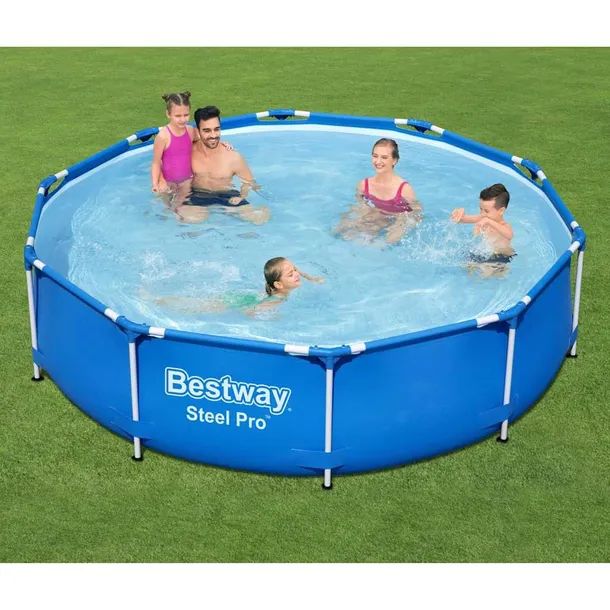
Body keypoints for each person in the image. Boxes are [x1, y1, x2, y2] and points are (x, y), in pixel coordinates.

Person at [177, 105, 271, 225]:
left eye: (216, 129)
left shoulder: (233, 157)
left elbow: (249, 182)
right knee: (188, 219)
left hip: (227, 195)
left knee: (259, 218)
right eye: (207, 131)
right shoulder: (188, 152)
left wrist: (242, 196)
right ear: (198, 131)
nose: (213, 135)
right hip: (198, 194)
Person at [145, 257, 323, 316]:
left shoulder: (281, 286)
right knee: (198, 307)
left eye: (295, 270)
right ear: (278, 284)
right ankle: (156, 300)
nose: (297, 274)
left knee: (202, 302)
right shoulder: (278, 299)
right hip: (242, 301)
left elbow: (298, 271)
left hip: (249, 296)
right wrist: (252, 313)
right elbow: (253, 311)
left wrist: (312, 278)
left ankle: (157, 299)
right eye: (291, 274)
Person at [150, 92, 232, 215]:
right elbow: (156, 163)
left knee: (179, 207)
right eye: (178, 116)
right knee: (166, 209)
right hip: (168, 182)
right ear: (168, 114)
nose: (183, 119)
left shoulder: (190, 131)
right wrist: (156, 183)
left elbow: (205, 140)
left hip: (187, 181)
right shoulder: (163, 137)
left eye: (186, 115)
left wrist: (220, 143)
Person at [333, 138, 423, 244]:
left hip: (399, 218)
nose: (378, 161)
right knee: (342, 228)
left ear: (394, 160)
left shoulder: (404, 189)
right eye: (375, 156)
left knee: (388, 242)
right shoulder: (364, 185)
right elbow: (360, 204)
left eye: (384, 157)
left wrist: (400, 222)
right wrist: (367, 214)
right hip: (377, 214)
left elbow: (417, 213)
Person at [450, 183, 515, 277]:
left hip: (501, 257)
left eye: (486, 211)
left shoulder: (504, 225)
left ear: (501, 211)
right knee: (465, 268)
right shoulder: (483, 217)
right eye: (481, 209)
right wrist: (459, 212)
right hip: (484, 254)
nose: (482, 213)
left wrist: (488, 221)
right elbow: (460, 220)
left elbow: (509, 235)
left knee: (482, 276)